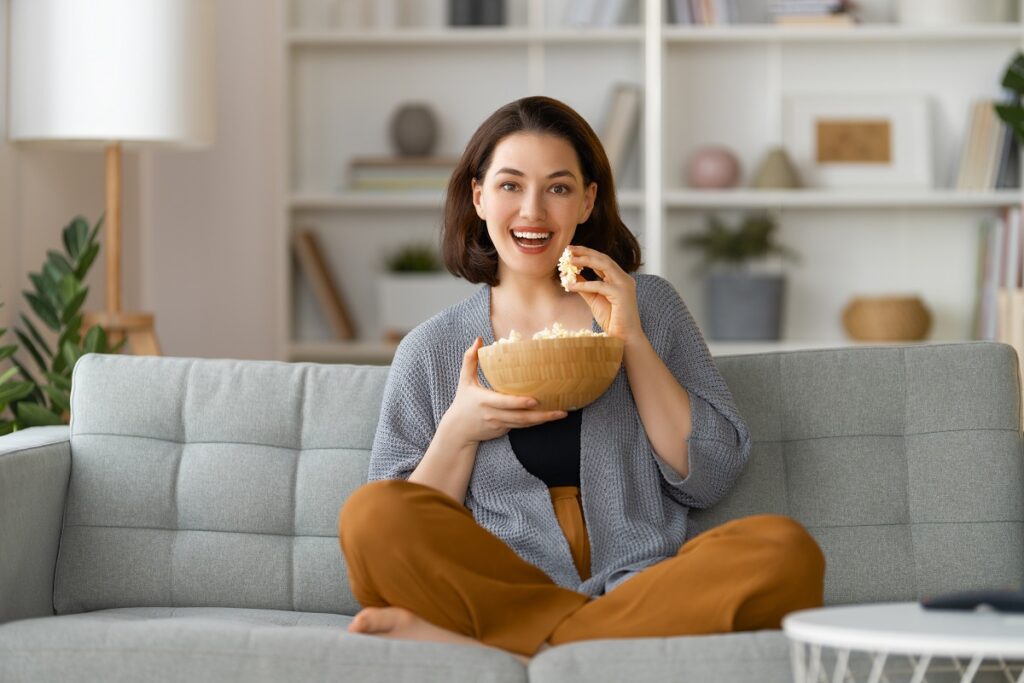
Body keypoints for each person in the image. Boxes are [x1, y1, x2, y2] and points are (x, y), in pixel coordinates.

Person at [338, 95, 825, 664]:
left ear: (588, 200)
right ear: (478, 196)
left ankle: (524, 646)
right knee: (370, 514)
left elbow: (709, 477)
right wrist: (459, 431)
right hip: (500, 584)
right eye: (511, 186)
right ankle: (578, 641)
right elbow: (396, 528)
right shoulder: (432, 348)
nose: (533, 212)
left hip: (640, 584)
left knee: (785, 551)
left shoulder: (651, 305)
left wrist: (632, 340)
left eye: (559, 187)